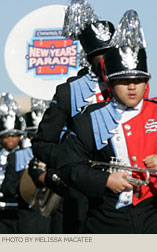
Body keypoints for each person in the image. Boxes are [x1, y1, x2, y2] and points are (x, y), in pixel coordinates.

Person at [54, 9, 157, 234]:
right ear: (110, 83)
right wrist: (105, 180)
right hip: (106, 214)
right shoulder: (89, 119)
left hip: (154, 211)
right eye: (124, 81)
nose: (132, 86)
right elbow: (68, 166)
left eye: (138, 80)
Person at [30, 0, 115, 233]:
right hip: (81, 194)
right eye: (101, 54)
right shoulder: (70, 92)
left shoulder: (131, 87)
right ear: (89, 56)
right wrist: (70, 165)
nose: (107, 59)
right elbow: (42, 143)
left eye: (112, 52)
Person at [1, 98, 53, 233]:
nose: (11, 139)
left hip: (51, 216)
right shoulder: (17, 157)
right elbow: (8, 188)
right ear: (29, 136)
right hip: (27, 215)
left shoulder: (60, 155)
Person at [0, 93, 25, 233]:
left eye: (14, 135)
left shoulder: (27, 156)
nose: (10, 139)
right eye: (5, 135)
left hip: (20, 211)